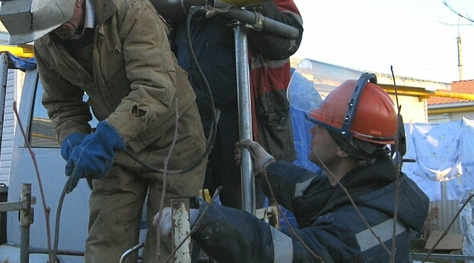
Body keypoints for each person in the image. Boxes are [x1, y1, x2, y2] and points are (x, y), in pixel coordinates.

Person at [0, 0, 207, 263]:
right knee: (105, 240)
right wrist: (73, 138)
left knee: (168, 244)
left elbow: (154, 87)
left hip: (174, 139)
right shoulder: (46, 40)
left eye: (56, 24)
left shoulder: (130, 11)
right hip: (118, 147)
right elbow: (62, 104)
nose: (54, 35)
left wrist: (109, 134)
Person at [154, 74, 430, 262]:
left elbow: (286, 251)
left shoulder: (355, 229)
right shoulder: (373, 191)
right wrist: (267, 166)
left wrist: (203, 220)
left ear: (343, 149)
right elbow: (310, 191)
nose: (311, 130)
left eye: (321, 126)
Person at [166, 0, 304, 209]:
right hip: (192, 120)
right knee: (189, 211)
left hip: (242, 122)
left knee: (241, 212)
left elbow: (290, 38)